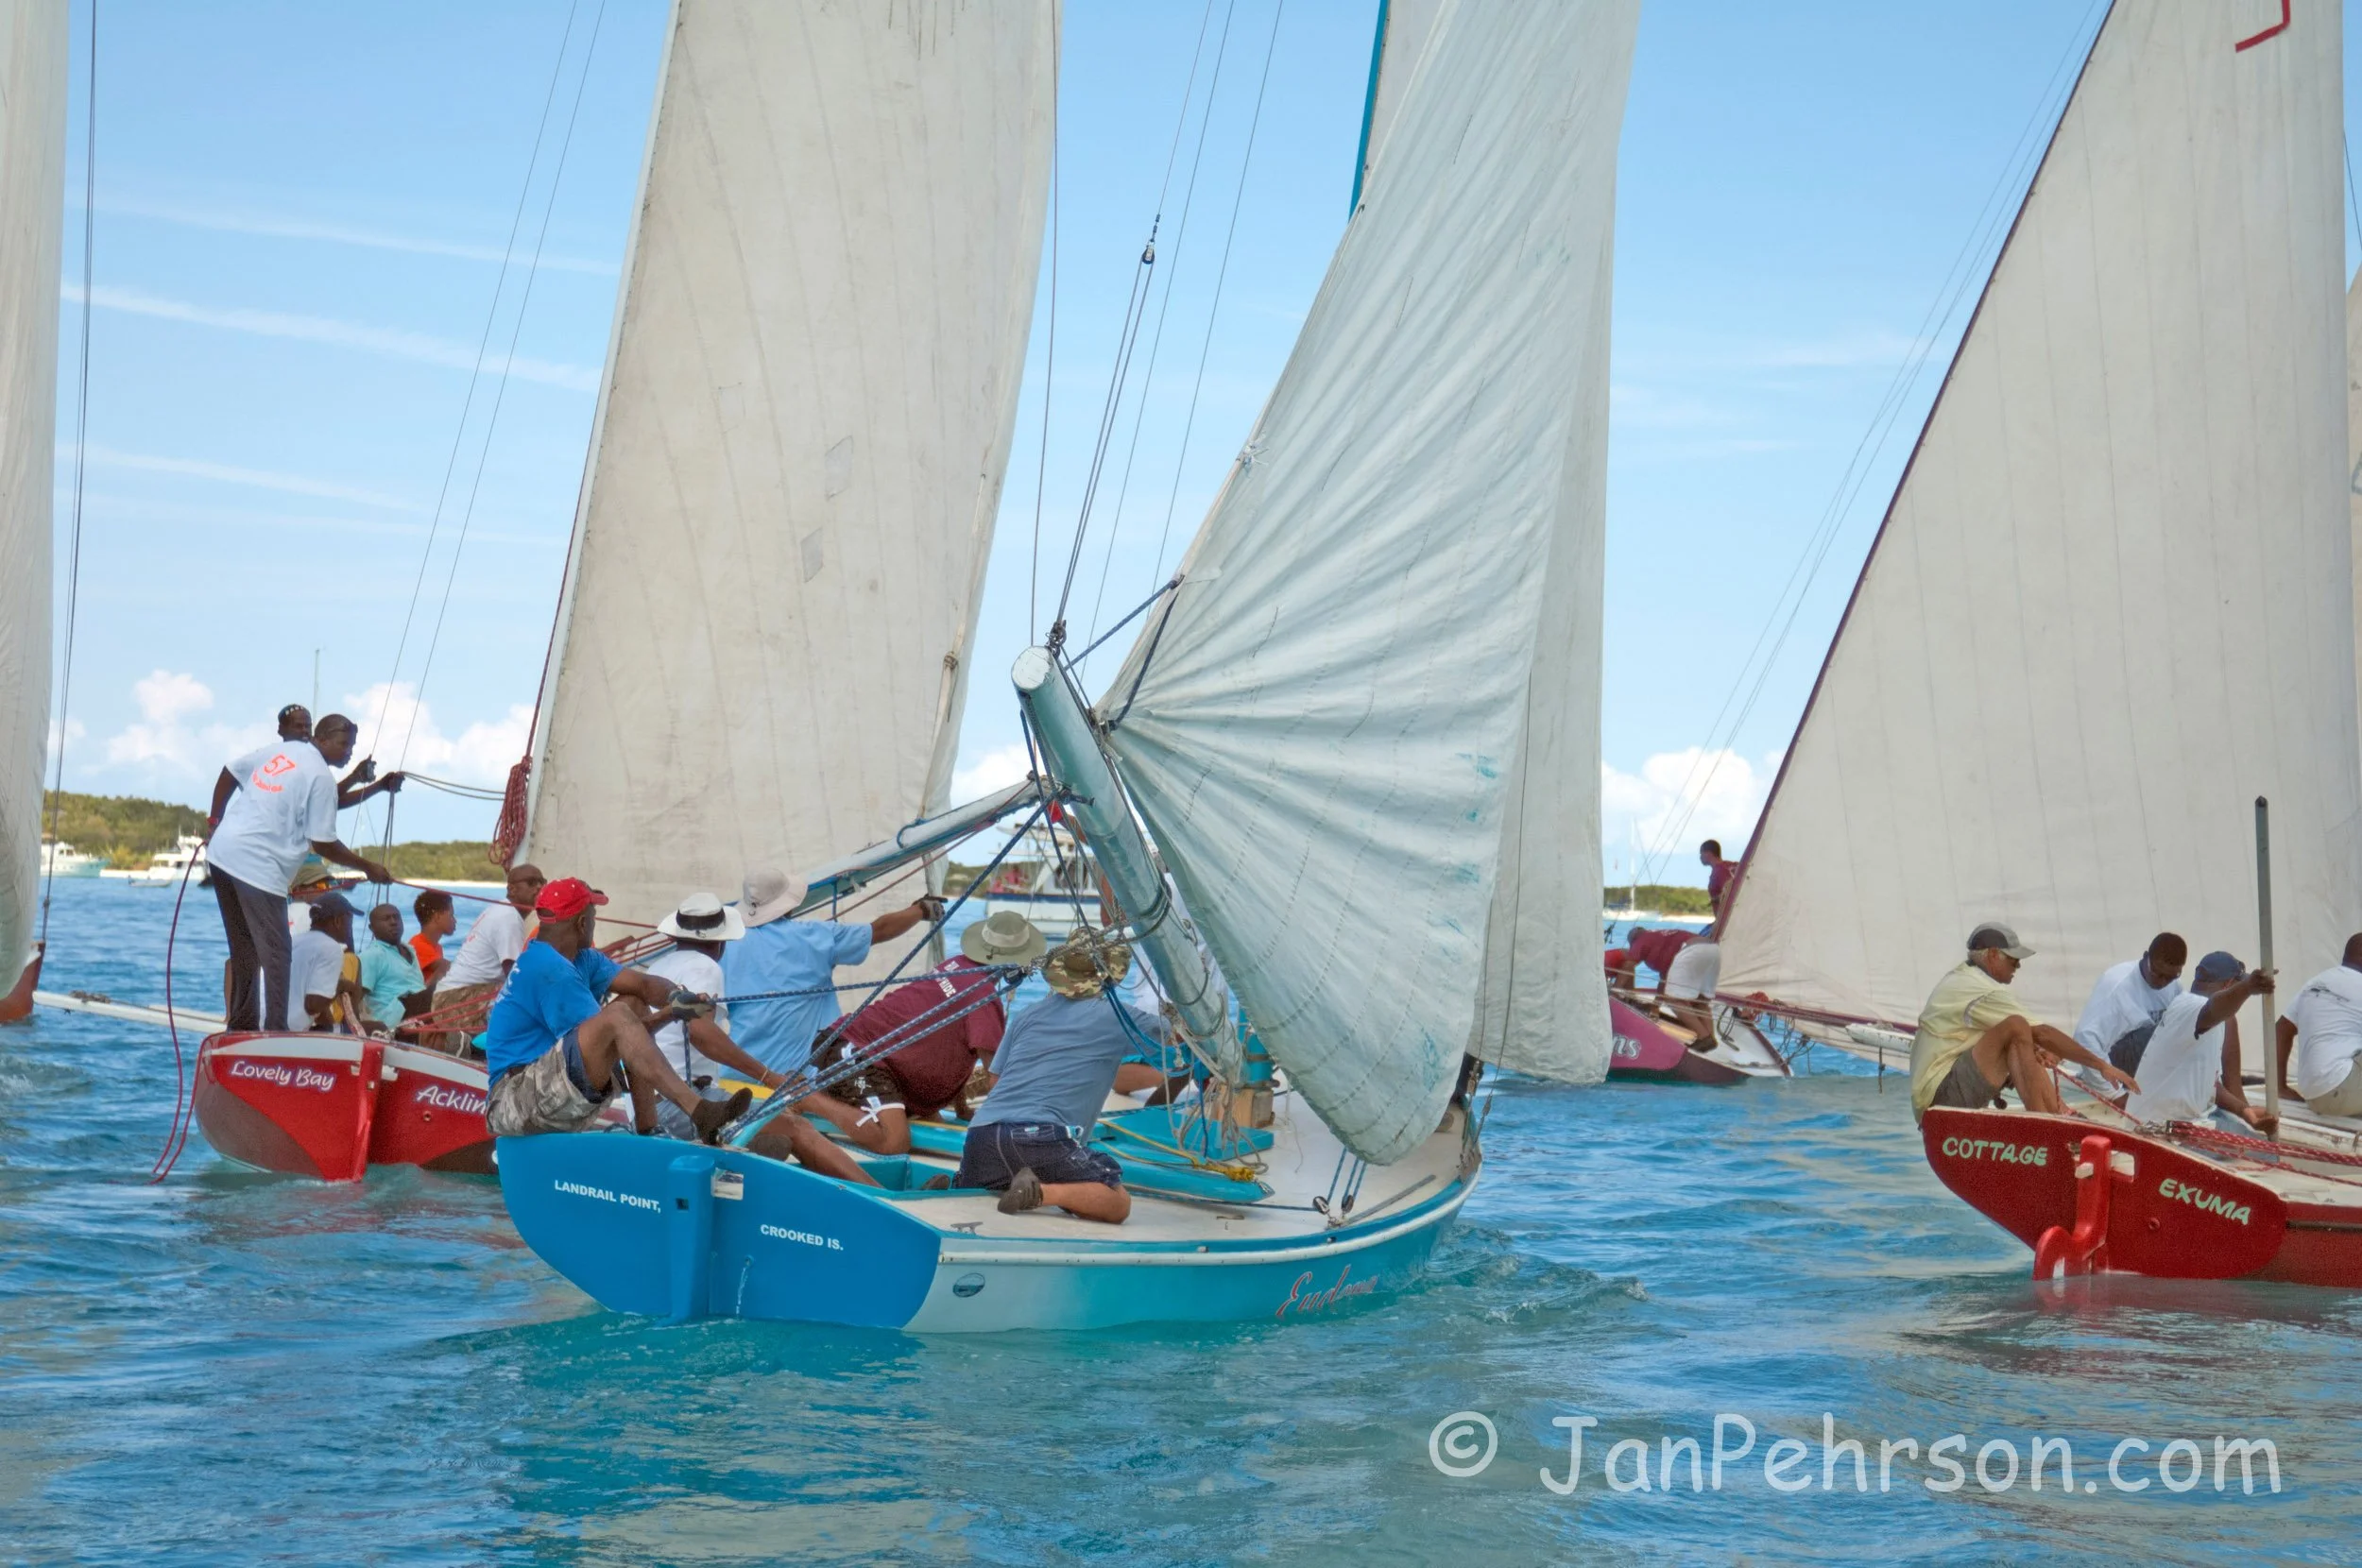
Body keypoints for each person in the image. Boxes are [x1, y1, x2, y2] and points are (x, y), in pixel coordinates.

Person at [481, 878, 747, 1143]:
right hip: (512, 1100)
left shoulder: (584, 959)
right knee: (618, 1017)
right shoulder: (549, 970)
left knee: (632, 1003)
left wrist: (675, 995)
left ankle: (648, 1128)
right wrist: (670, 1014)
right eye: (593, 917)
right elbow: (613, 1039)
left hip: (544, 1085)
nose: (595, 924)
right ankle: (699, 1111)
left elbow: (643, 984)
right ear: (582, 923)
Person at [954, 934, 1161, 1223]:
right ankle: (1040, 1193)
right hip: (1040, 1135)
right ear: (1113, 973)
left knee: (993, 1182)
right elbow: (1179, 1041)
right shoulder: (1116, 1017)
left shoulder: (1028, 1014)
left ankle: (955, 1185)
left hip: (983, 1134)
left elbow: (994, 1083)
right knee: (1117, 1203)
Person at [803, 910, 1045, 1154]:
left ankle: (823, 1098)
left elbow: (957, 1047)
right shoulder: (983, 998)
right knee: (894, 1142)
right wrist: (1005, 1130)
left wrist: (961, 1109)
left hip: (861, 1050)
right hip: (857, 1054)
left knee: (934, 1121)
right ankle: (805, 1097)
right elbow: (995, 1075)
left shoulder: (955, 964)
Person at [205, 713, 391, 1031]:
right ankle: (277, 1034)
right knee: (277, 955)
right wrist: (368, 867)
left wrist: (215, 821)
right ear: (323, 739)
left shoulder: (287, 751)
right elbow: (324, 844)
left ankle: (242, 1026)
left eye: (352, 745)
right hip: (257, 867)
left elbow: (230, 772)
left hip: (222, 855)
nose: (349, 752)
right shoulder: (319, 776)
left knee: (244, 950)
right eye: (345, 744)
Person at [720, 865, 944, 1074]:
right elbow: (879, 930)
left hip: (741, 1072)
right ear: (789, 903)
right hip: (804, 1076)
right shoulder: (815, 936)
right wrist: (921, 910)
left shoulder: (725, 945)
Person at [1910, 921, 2136, 1124]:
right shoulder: (1980, 990)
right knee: (2018, 1027)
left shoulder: (1964, 978)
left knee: (2026, 1039)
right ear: (1992, 956)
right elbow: (2044, 1033)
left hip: (1937, 1097)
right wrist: (2102, 1066)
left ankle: (2058, 1115)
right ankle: (2046, 1125)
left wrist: (2036, 1049)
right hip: (1940, 1100)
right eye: (2013, 960)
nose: (2018, 967)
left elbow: (2032, 1039)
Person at [2122, 951, 2276, 1131]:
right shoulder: (2191, 1006)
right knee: (2265, 1156)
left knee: (2257, 1147)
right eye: (2238, 984)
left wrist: (2244, 1111)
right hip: (2158, 1128)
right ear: (2228, 985)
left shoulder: (2207, 1016)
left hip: (2183, 1121)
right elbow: (2215, 1008)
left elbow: (2210, 1085)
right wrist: (2247, 988)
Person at [436, 863, 547, 1026]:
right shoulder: (508, 917)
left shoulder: (500, 910)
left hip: (448, 997)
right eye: (531, 882)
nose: (538, 887)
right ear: (512, 890)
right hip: (456, 1001)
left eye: (542, 882)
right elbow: (514, 975)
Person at [2072, 932, 2186, 1070]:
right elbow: (2085, 1038)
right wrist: (2113, 1091)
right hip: (2115, 1057)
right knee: (2152, 1036)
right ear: (2146, 957)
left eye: (2170, 977)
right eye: (2157, 974)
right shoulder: (2116, 985)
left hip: (2149, 1058)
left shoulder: (2175, 985)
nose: (2162, 982)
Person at [2276, 934, 2362, 1116]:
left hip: (2315, 1095)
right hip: (2344, 1089)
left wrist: (2279, 1087)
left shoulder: (2317, 981)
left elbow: (2281, 1029)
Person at [291, 893, 368, 1032]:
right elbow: (313, 1005)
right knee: (379, 1028)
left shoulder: (295, 941)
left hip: (275, 1025)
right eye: (350, 920)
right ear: (338, 921)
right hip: (296, 1031)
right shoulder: (331, 948)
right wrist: (340, 987)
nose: (350, 928)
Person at [358, 903, 431, 1033]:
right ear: (372, 928)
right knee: (438, 992)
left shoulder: (410, 950)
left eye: (396, 917)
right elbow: (356, 996)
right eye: (386, 919)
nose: (393, 922)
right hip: (394, 1016)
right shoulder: (372, 955)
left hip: (417, 1009)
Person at [410, 889, 455, 990]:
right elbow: (448, 968)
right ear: (437, 917)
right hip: (419, 1000)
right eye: (451, 915)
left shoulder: (437, 947)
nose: (455, 920)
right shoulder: (418, 944)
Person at [1702, 840, 1738, 918]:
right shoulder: (1730, 865)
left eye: (1701, 853)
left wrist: (1714, 899)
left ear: (1708, 853)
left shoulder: (1719, 871)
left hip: (1727, 921)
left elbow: (1731, 891)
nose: (1700, 857)